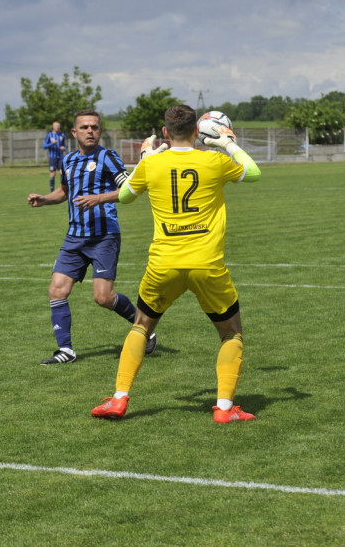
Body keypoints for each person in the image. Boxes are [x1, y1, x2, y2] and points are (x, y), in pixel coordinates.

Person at [91, 104, 262, 423]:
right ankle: (224, 409)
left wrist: (145, 158)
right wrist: (227, 143)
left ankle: (119, 399)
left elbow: (125, 197)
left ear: (165, 133)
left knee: (141, 325)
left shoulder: (152, 164)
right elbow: (253, 172)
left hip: (163, 264)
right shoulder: (214, 160)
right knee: (231, 334)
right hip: (206, 264)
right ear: (198, 131)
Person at [27, 110, 153, 365]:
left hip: (103, 236)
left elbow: (129, 190)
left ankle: (145, 328)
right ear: (74, 133)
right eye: (84, 127)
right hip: (74, 237)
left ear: (100, 131)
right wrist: (44, 199)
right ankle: (66, 350)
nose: (90, 131)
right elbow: (64, 192)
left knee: (103, 298)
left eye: (94, 127)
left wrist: (99, 198)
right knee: (56, 290)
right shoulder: (69, 160)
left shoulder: (108, 157)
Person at [43, 121, 66, 191]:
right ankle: (52, 189)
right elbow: (44, 146)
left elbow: (64, 146)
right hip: (52, 157)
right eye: (56, 126)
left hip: (60, 157)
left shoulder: (62, 135)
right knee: (53, 173)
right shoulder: (49, 135)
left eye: (58, 126)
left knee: (62, 172)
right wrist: (52, 144)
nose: (57, 127)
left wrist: (64, 148)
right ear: (53, 127)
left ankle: (63, 188)